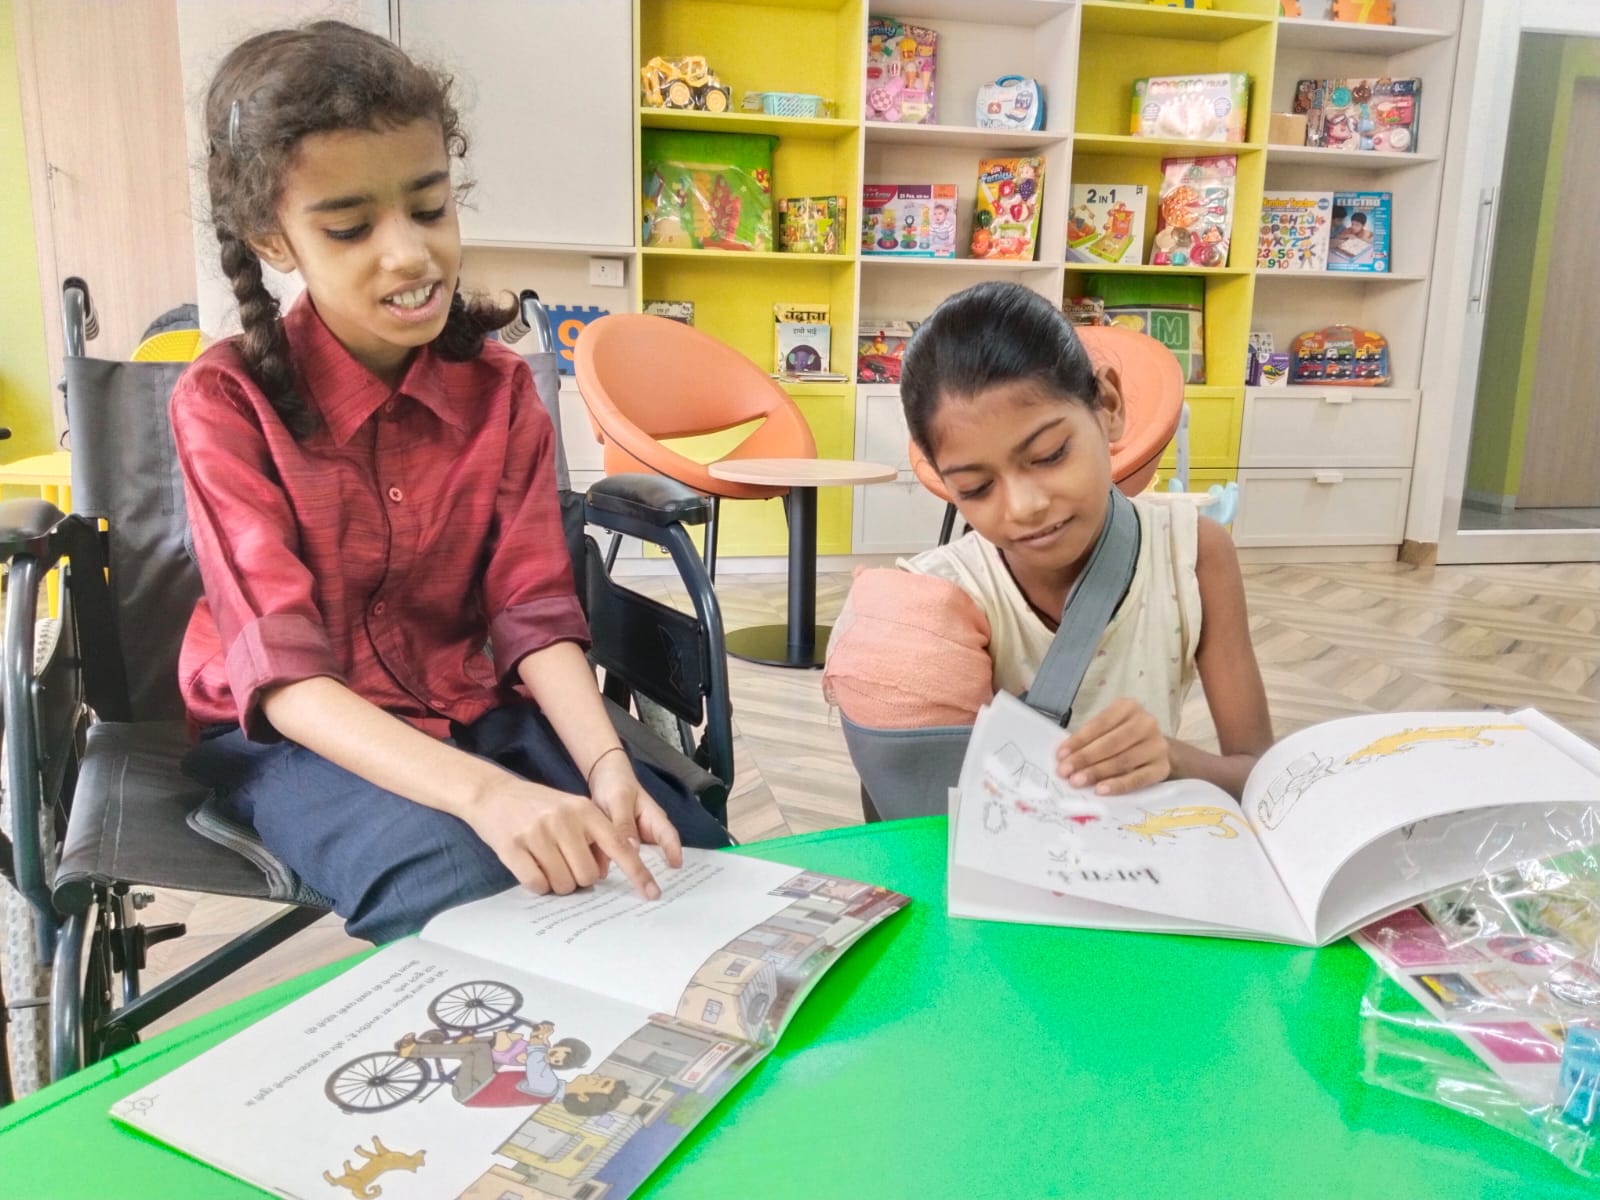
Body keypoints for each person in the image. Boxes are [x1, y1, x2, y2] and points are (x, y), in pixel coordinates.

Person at [174, 21, 728, 945]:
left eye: (429, 209)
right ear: (274, 238)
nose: (409, 255)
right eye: (350, 227)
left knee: (691, 860)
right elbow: (285, 680)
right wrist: (492, 799)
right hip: (305, 736)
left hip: (481, 703)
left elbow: (532, 610)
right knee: (471, 892)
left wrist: (607, 767)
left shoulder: (503, 391)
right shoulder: (226, 401)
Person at [828, 282, 1272, 799]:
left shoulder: (1192, 555)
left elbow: (1262, 777)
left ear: (1107, 404)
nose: (1024, 507)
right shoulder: (937, 604)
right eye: (976, 487)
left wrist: (1173, 758)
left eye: (1049, 455)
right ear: (942, 479)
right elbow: (919, 809)